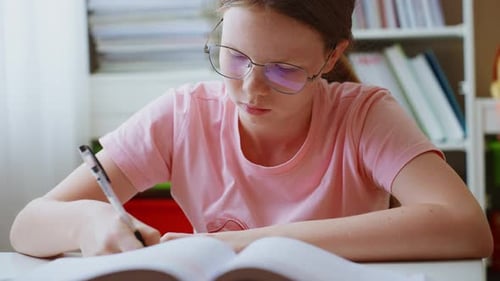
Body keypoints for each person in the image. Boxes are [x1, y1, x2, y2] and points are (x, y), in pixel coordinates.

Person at [10, 0, 493, 261]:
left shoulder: (363, 115)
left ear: (330, 56)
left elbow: (468, 230)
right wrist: (88, 223)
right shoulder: (183, 115)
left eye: (283, 69)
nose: (249, 88)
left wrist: (236, 243)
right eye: (234, 56)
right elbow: (26, 226)